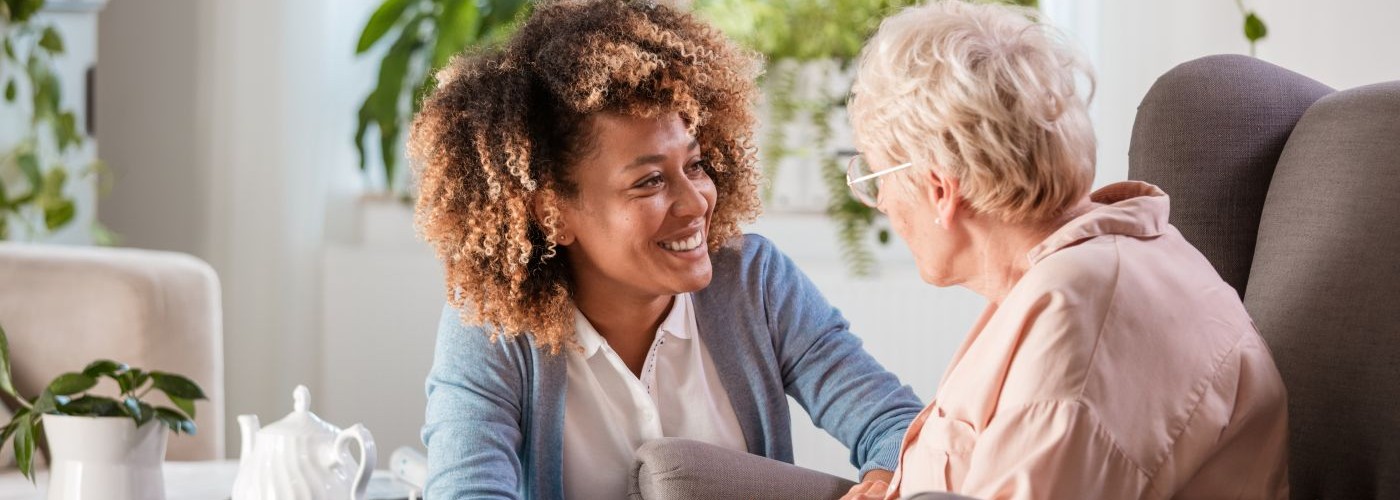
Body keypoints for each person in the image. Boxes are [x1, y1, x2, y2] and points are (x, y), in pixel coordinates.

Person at [409, 1, 923, 498]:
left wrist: (882, 483)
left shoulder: (754, 282)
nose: (695, 201)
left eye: (695, 165)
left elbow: (896, 423)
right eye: (650, 181)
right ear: (552, 213)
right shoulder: (494, 326)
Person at [839, 2, 1289, 499]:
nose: (879, 201)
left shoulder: (1079, 319)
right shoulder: (1073, 272)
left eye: (875, 176)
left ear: (939, 190)